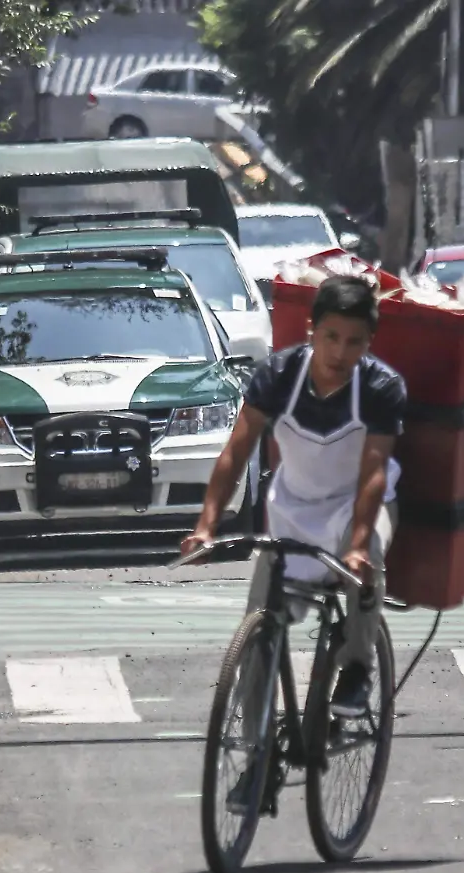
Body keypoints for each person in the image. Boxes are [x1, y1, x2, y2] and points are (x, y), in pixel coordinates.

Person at [182, 276, 406, 720]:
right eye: (331, 337)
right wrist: (206, 526)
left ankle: (358, 668)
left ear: (369, 343)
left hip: (358, 504)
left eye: (354, 342)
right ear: (311, 331)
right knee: (258, 636)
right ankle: (252, 760)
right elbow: (235, 452)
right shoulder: (278, 376)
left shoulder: (382, 388)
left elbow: (373, 473)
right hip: (292, 510)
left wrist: (358, 544)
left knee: (369, 559)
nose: (340, 353)